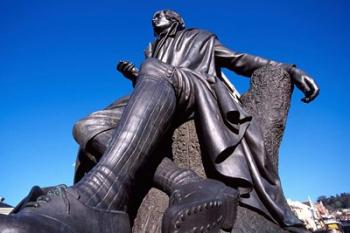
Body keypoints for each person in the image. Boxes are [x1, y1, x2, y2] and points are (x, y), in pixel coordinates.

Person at [0, 9, 319, 233]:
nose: (155, 17)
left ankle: (98, 197)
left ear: (177, 21)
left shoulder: (201, 37)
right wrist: (136, 75)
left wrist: (287, 68)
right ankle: (186, 183)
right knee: (86, 126)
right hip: (158, 89)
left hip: (195, 91)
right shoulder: (152, 49)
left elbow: (239, 60)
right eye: (153, 16)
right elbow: (151, 91)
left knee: (154, 71)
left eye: (162, 14)